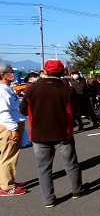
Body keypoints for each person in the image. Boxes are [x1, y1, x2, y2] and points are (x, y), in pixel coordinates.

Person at [19, 59, 89, 208]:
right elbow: (77, 112)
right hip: (63, 134)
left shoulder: (32, 89)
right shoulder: (68, 90)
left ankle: (49, 199)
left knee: (44, 168)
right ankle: (77, 190)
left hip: (39, 134)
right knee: (71, 165)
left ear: (45, 72)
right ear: (63, 72)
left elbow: (23, 109)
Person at [0, 63, 27, 196]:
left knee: (9, 155)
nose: (12, 74)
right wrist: (13, 129)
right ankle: (6, 187)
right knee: (8, 156)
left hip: (13, 124)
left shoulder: (7, 88)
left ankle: (7, 181)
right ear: (2, 75)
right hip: (9, 126)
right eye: (9, 72)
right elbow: (3, 112)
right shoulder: (2, 90)